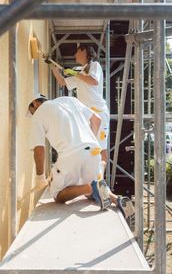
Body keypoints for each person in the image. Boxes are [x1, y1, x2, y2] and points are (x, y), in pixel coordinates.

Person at [27, 93, 135, 226]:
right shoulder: (70, 100)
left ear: (35, 103)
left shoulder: (39, 113)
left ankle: (90, 188)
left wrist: (40, 177)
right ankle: (118, 200)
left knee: (58, 195)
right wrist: (89, 143)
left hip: (70, 155)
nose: (32, 114)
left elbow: (39, 149)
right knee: (94, 192)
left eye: (31, 111)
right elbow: (97, 120)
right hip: (93, 150)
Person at [51, 45, 109, 177]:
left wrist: (75, 73)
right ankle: (92, 178)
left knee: (100, 146)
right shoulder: (80, 71)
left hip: (99, 111)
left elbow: (93, 81)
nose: (74, 54)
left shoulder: (94, 66)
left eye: (77, 51)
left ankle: (100, 179)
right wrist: (53, 68)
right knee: (89, 146)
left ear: (84, 51)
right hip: (86, 115)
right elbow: (63, 82)